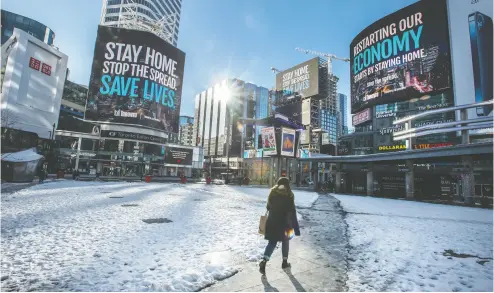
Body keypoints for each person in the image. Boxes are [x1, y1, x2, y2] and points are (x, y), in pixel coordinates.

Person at [259, 177, 300, 275]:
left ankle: (264, 261)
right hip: (287, 224)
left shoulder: (272, 193)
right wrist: (296, 229)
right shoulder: (290, 195)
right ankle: (284, 262)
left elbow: (268, 207)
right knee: (286, 242)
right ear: (287, 185)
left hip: (273, 222)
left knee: (272, 242)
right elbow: (293, 212)